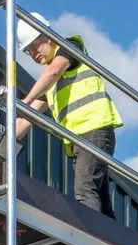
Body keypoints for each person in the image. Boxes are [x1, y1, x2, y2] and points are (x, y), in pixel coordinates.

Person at [14, 13, 123, 218]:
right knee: (100, 198)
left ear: (46, 37)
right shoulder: (52, 83)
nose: (32, 54)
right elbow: (28, 117)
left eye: (33, 46)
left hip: (93, 130)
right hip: (83, 138)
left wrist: (23, 101)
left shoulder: (69, 47)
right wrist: (5, 138)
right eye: (28, 52)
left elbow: (52, 73)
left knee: (85, 188)